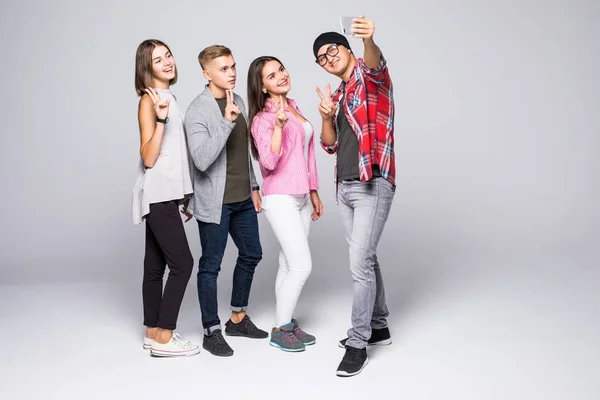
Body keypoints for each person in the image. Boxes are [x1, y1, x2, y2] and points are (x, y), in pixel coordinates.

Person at [313, 16, 396, 376]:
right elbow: (329, 145)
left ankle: (358, 341)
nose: (328, 58)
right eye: (321, 57)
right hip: (345, 185)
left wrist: (369, 40)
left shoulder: (368, 76)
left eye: (333, 50)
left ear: (347, 48)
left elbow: (375, 64)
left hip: (372, 182)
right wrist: (327, 117)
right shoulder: (337, 93)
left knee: (359, 264)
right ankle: (379, 325)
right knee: (366, 257)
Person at [184, 45, 268, 357]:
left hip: (244, 197)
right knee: (211, 266)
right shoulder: (197, 111)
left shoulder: (240, 100)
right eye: (223, 69)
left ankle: (237, 318)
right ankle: (211, 330)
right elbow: (202, 160)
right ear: (206, 74)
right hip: (215, 203)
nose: (231, 73)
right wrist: (226, 122)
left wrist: (255, 185)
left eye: (233, 66)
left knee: (252, 254)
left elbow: (244, 152)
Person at [247, 56, 324, 352]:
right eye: (271, 75)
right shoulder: (262, 119)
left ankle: (287, 323)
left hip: (302, 196)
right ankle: (280, 330)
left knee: (287, 263)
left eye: (281, 69)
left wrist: (313, 190)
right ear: (263, 87)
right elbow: (268, 161)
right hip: (279, 197)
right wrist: (278, 126)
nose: (280, 76)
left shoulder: (294, 107)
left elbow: (307, 155)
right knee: (301, 266)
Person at [132, 39, 200, 357]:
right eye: (159, 60)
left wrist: (183, 196)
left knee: (155, 266)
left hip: (167, 194)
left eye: (169, 55)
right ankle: (165, 337)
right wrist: (160, 119)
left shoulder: (169, 97)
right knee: (183, 263)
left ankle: (151, 332)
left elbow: (176, 154)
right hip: (158, 192)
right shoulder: (150, 100)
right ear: (147, 67)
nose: (168, 62)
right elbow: (149, 157)